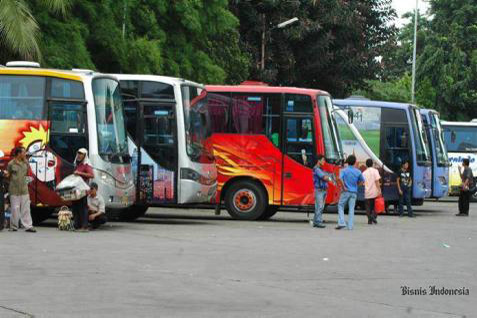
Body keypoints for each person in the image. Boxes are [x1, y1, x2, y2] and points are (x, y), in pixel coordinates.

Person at [6, 146, 36, 232]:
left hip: (24, 189)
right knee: (15, 209)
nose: (25, 154)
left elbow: (27, 175)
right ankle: (14, 226)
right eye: (23, 152)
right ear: (19, 154)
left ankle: (28, 226)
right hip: (14, 189)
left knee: (26, 208)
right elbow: (8, 175)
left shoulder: (26, 163)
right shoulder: (11, 164)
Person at [337, 155, 365, 230]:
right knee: (351, 209)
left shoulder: (344, 170)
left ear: (348, 162)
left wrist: (344, 187)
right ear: (355, 162)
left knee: (340, 205)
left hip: (345, 192)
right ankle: (350, 226)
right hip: (354, 192)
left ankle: (342, 222)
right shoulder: (358, 171)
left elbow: (340, 178)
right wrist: (357, 185)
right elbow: (362, 181)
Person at [72, 148, 94, 232]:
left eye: (81, 154)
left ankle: (84, 226)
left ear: (85, 155)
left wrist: (80, 173)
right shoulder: (77, 164)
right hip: (76, 189)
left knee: (82, 208)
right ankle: (77, 225)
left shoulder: (86, 165)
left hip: (83, 190)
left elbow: (91, 175)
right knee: (75, 207)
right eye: (78, 153)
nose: (79, 155)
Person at [311, 154, 329, 228]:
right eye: (323, 160)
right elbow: (324, 177)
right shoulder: (317, 169)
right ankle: (318, 222)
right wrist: (327, 177)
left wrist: (327, 177)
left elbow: (326, 177)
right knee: (320, 206)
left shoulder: (320, 169)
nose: (324, 161)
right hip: (319, 190)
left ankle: (316, 221)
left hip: (322, 190)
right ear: (319, 161)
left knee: (319, 206)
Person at [362, 159, 381, 225]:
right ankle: (373, 217)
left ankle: (369, 219)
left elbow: (363, 183)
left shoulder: (364, 173)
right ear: (372, 164)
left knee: (368, 207)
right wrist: (379, 190)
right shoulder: (375, 171)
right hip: (374, 192)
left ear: (366, 165)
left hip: (367, 192)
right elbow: (377, 181)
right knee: (375, 207)